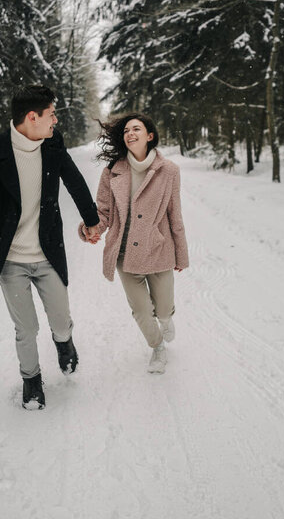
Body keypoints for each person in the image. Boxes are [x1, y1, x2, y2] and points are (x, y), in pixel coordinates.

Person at [0, 85, 99, 410]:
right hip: (10, 261)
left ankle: (64, 343)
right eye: (52, 114)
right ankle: (32, 381)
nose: (55, 121)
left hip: (48, 254)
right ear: (32, 117)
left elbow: (74, 179)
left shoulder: (52, 143)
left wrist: (91, 219)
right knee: (26, 328)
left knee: (61, 319)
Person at [79, 112, 189, 373]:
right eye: (127, 130)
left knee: (162, 309)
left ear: (149, 136)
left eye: (136, 129)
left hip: (159, 251)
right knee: (141, 310)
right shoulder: (113, 171)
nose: (130, 133)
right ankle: (157, 347)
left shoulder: (169, 171)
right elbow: (103, 211)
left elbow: (175, 214)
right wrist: (90, 228)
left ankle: (166, 318)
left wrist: (181, 256)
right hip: (125, 254)